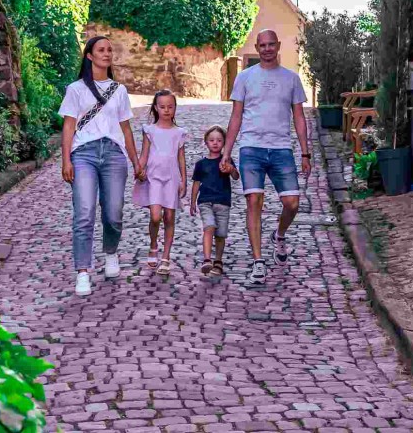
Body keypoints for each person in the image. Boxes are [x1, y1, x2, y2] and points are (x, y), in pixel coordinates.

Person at [220, 28, 311, 283]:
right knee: (254, 202)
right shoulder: (245, 77)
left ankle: (279, 235)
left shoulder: (291, 79)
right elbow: (236, 116)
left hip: (282, 148)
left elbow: (299, 117)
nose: (267, 49)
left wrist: (305, 153)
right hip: (251, 148)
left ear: (278, 45)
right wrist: (226, 152)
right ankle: (258, 261)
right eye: (263, 45)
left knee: (292, 202)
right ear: (257, 47)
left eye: (271, 44)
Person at [61, 36, 141, 295]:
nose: (107, 53)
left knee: (114, 214)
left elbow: (126, 129)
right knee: (84, 213)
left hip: (114, 155)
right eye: (101, 50)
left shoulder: (119, 91)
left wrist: (136, 161)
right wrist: (66, 160)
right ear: (89, 56)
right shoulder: (76, 89)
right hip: (84, 154)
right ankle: (83, 271)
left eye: (109, 49)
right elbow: (69, 126)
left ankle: (111, 253)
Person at [132, 89, 190, 276]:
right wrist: (138, 168)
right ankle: (153, 244)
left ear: (175, 108)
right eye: (162, 107)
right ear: (156, 108)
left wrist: (184, 180)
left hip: (172, 178)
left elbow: (181, 158)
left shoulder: (179, 133)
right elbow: (144, 154)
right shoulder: (150, 130)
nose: (166, 110)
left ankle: (166, 256)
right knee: (155, 216)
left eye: (170, 107)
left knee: (169, 217)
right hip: (154, 177)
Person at [189, 126, 233, 276]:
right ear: (206, 143)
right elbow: (196, 183)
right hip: (205, 201)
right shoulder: (201, 164)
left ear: (224, 143)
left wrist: (230, 169)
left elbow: (236, 176)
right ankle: (207, 259)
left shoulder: (226, 160)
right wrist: (192, 202)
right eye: (212, 140)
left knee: (221, 234)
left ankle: (218, 260)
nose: (215, 143)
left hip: (223, 202)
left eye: (219, 140)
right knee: (209, 227)